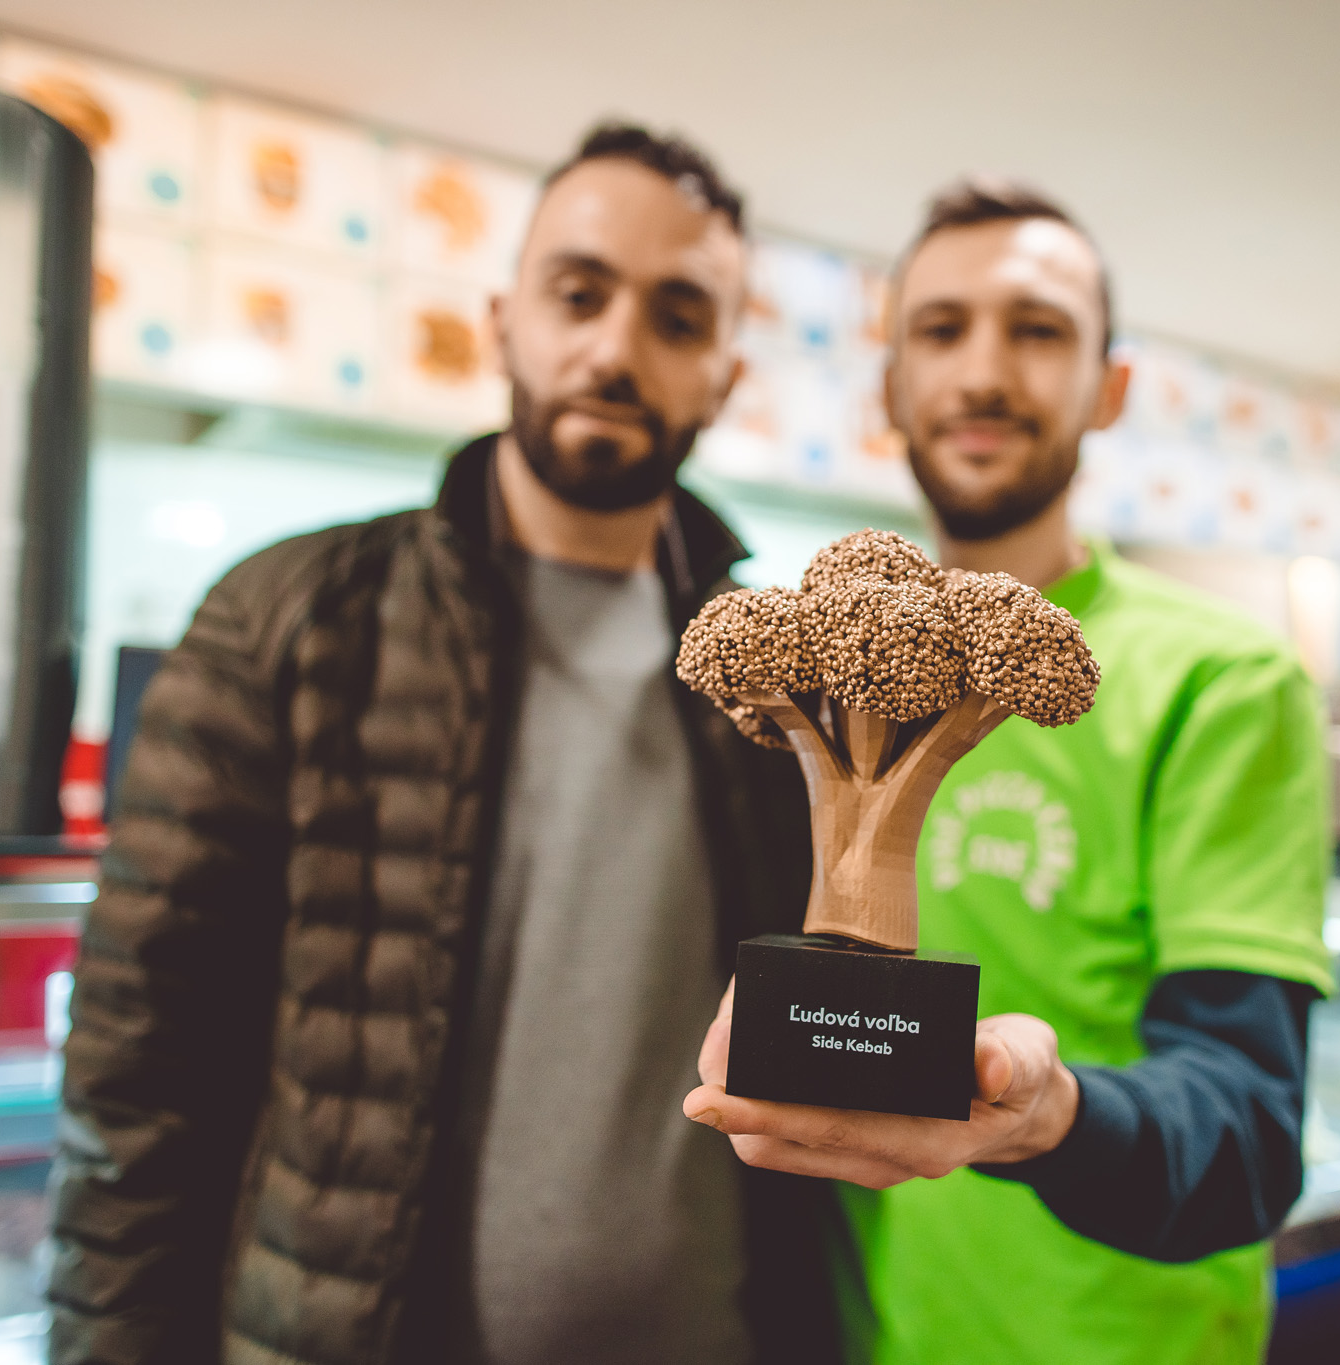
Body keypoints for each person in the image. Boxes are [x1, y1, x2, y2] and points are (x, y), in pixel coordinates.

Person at [49, 124, 842, 1365]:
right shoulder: (287, 621)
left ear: (723, 378)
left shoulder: (782, 688)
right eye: (577, 294)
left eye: (677, 317)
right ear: (500, 321)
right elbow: (137, 1080)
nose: (613, 349)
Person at [684, 179, 1334, 1364]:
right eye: (940, 330)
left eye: (1036, 330)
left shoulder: (1223, 679)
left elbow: (1248, 1134)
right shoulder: (824, 672)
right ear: (890, 385)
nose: (982, 373)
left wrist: (1048, 1116)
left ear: (1107, 386)